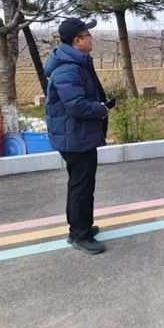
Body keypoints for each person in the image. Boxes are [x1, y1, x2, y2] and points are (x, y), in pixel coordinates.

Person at [45, 18, 110, 255]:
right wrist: (101, 109)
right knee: (81, 187)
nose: (92, 38)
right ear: (77, 41)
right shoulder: (67, 69)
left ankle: (79, 228)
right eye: (88, 35)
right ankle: (80, 235)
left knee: (80, 184)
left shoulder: (76, 62)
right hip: (74, 136)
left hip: (78, 134)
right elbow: (76, 105)